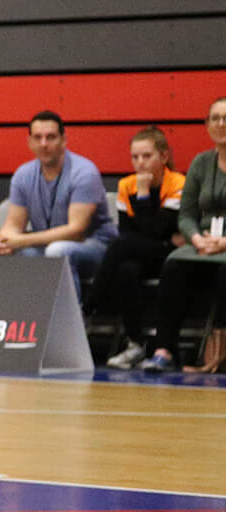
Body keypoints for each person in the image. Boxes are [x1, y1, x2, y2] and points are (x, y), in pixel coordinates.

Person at [0, 111, 117, 302]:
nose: (44, 144)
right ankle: (8, 319)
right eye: (38, 138)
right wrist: (3, 241)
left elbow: (76, 231)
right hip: (46, 245)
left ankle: (71, 325)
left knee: (58, 250)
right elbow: (14, 224)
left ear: (63, 140)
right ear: (29, 142)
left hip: (94, 246)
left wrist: (20, 241)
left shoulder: (84, 173)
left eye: (51, 137)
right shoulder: (23, 175)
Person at [141, 98, 226, 373]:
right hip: (202, 245)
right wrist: (197, 239)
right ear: (207, 125)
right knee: (175, 265)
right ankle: (164, 349)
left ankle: (219, 351)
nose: (221, 124)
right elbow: (186, 214)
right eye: (215, 118)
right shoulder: (201, 163)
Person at [99, 127, 185, 368]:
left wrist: (145, 194)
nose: (140, 163)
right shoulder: (127, 185)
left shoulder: (178, 183)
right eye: (135, 157)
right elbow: (130, 232)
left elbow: (157, 230)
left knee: (121, 246)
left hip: (169, 255)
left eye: (147, 156)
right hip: (141, 251)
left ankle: (91, 305)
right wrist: (149, 236)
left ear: (164, 157)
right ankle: (136, 344)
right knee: (126, 269)